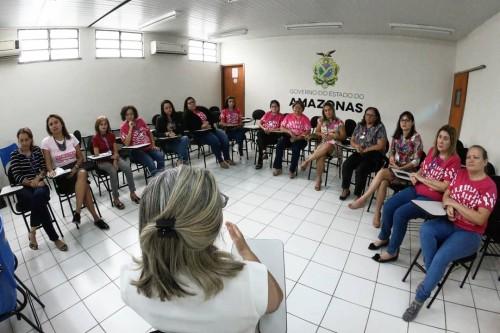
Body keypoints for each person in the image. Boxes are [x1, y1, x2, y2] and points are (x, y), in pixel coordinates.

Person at [120, 166, 283, 333]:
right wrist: (245, 250)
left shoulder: (130, 280)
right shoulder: (248, 284)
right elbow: (275, 302)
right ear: (212, 225)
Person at [403, 145, 497, 322]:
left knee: (441, 257)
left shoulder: (489, 187)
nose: (470, 159)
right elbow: (446, 195)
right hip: (452, 223)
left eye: (476, 157)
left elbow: (479, 219)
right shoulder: (460, 174)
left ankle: (419, 298)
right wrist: (448, 205)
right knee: (427, 229)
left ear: (485, 162)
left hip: (470, 234)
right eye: (469, 156)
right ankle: (434, 274)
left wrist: (456, 205)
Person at [370, 125, 461, 263]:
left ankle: (392, 251)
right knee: (389, 205)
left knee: (400, 214)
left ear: (452, 141)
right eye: (439, 137)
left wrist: (423, 179)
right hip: (417, 189)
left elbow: (444, 186)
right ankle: (384, 237)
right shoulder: (432, 151)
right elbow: (422, 171)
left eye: (445, 139)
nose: (441, 141)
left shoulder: (454, 160)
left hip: (432, 199)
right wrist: (415, 175)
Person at [348, 111, 424, 227]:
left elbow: (416, 161)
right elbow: (391, 152)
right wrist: (392, 159)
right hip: (395, 170)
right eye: (402, 120)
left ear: (412, 123)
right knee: (383, 182)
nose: (404, 123)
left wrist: (402, 167)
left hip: (408, 173)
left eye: (407, 120)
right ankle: (377, 214)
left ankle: (363, 199)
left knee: (381, 173)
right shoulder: (397, 136)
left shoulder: (416, 138)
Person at [41, 114, 108, 230]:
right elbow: (48, 164)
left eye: (56, 122)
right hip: (62, 174)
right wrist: (51, 172)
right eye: (51, 124)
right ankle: (95, 218)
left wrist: (75, 168)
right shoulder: (46, 142)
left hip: (76, 168)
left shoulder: (71, 137)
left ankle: (78, 213)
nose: (54, 125)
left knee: (82, 174)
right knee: (85, 185)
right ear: (49, 128)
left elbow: (81, 157)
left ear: (61, 123)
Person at [10, 128, 67, 251]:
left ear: (31, 139)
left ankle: (32, 231)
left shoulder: (36, 150)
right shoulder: (14, 155)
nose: (24, 143)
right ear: (18, 141)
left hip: (40, 183)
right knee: (39, 202)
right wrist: (32, 183)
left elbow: (43, 168)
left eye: (27, 139)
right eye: (21, 140)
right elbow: (17, 176)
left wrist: (38, 179)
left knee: (39, 196)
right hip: (24, 188)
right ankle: (55, 238)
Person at [92, 116, 140, 209]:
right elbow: (97, 155)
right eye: (101, 124)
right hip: (102, 161)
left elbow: (115, 151)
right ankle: (116, 198)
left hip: (113, 158)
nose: (103, 126)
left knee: (127, 167)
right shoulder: (95, 138)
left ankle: (132, 193)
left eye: (105, 124)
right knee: (113, 171)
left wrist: (114, 160)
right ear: (97, 126)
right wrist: (111, 158)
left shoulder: (111, 135)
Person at [340, 107, 388, 200]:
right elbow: (352, 140)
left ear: (376, 117)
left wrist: (367, 149)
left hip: (374, 155)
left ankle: (358, 194)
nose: (368, 117)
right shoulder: (360, 125)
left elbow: (381, 145)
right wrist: (356, 146)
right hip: (360, 152)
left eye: (371, 115)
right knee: (346, 164)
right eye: (367, 114)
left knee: (361, 169)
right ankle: (345, 189)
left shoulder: (379, 127)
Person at [299, 101, 346, 190]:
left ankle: (307, 161)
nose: (328, 112)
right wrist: (321, 134)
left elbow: (343, 137)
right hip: (322, 144)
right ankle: (318, 179)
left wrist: (334, 135)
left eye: (329, 110)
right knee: (321, 156)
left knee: (328, 145)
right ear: (323, 112)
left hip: (335, 146)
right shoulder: (321, 120)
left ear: (333, 110)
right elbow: (317, 131)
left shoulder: (339, 122)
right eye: (325, 110)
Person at [183, 96, 232, 169]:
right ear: (186, 105)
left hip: (211, 129)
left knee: (224, 137)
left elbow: (211, 117)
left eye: (193, 102)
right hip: (200, 134)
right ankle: (221, 161)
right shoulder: (186, 115)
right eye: (189, 103)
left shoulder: (201, 109)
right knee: (215, 140)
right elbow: (188, 127)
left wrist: (209, 123)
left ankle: (227, 158)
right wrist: (201, 126)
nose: (192, 104)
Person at [120, 105, 165, 177]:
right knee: (150, 161)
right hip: (136, 151)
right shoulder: (123, 127)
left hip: (148, 147)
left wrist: (153, 144)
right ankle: (157, 178)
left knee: (160, 155)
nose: (130, 116)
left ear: (134, 114)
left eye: (131, 114)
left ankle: (162, 176)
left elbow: (149, 133)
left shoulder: (140, 120)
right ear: (124, 116)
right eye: (127, 115)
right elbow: (127, 144)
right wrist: (131, 128)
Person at [272, 100, 311, 178]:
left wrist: (297, 138)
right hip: (289, 137)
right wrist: (290, 132)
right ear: (293, 108)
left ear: (302, 109)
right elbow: (282, 127)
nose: (297, 110)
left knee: (296, 148)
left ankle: (292, 170)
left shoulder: (305, 119)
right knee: (279, 144)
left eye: (299, 108)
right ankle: (278, 167)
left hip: (301, 139)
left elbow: (308, 131)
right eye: (295, 108)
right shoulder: (288, 116)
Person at [155, 100, 190, 165]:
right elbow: (157, 134)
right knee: (183, 147)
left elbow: (183, 128)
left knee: (185, 138)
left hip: (178, 139)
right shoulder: (159, 119)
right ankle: (183, 162)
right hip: (168, 143)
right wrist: (167, 134)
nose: (169, 109)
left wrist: (176, 131)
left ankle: (180, 161)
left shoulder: (177, 116)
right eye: (166, 108)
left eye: (170, 107)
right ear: (163, 110)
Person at [255, 100, 284, 169]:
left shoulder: (281, 116)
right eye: (272, 106)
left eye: (275, 106)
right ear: (270, 107)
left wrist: (271, 130)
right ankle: (264, 152)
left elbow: (281, 128)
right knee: (259, 133)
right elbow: (259, 123)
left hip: (275, 135)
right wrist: (264, 128)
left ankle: (260, 161)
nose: (274, 108)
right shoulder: (267, 114)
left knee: (259, 141)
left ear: (278, 107)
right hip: (265, 133)